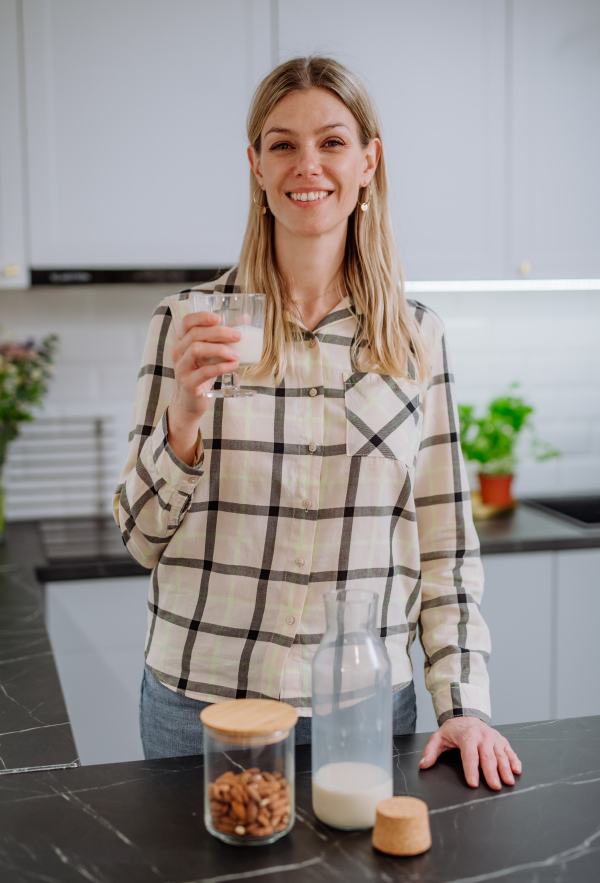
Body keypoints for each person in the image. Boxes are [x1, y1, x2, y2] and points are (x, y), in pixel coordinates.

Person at [115, 56, 521, 791]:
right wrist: (182, 422)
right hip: (202, 702)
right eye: (282, 144)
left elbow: (445, 547)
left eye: (332, 142)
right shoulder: (188, 323)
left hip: (360, 707)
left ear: (368, 162)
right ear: (256, 166)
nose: (309, 165)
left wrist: (462, 705)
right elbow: (140, 539)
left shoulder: (413, 338)